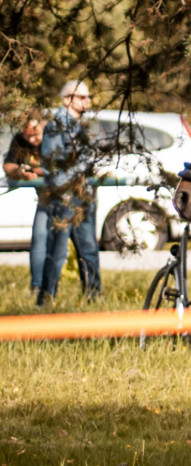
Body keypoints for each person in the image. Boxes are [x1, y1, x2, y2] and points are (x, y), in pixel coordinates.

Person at [37, 80, 102, 305]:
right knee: (56, 253)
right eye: (81, 97)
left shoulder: (83, 125)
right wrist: (81, 167)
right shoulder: (56, 126)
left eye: (88, 96)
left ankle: (94, 299)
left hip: (83, 197)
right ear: (67, 99)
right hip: (64, 198)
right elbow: (52, 168)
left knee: (90, 250)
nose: (87, 101)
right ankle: (45, 300)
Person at [3, 114, 46, 295]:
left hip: (68, 198)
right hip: (44, 200)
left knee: (81, 246)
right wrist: (21, 173)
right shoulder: (20, 141)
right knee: (38, 241)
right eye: (27, 135)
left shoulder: (53, 137)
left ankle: (92, 291)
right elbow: (9, 165)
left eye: (35, 134)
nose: (32, 140)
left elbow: (61, 167)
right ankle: (37, 288)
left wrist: (34, 171)